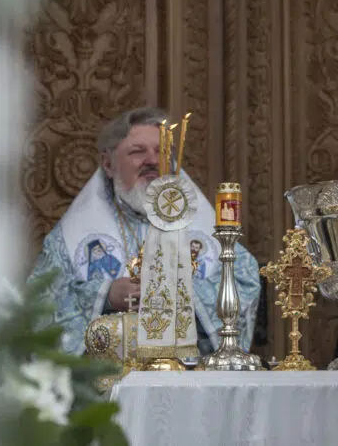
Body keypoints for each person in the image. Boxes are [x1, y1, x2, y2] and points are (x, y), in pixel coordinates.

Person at [28, 106, 261, 356]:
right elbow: (41, 303)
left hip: (189, 373)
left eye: (161, 151)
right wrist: (105, 295)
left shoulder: (202, 224)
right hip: (106, 380)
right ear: (108, 164)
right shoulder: (72, 236)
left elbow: (245, 280)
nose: (152, 160)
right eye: (137, 152)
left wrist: (181, 294)